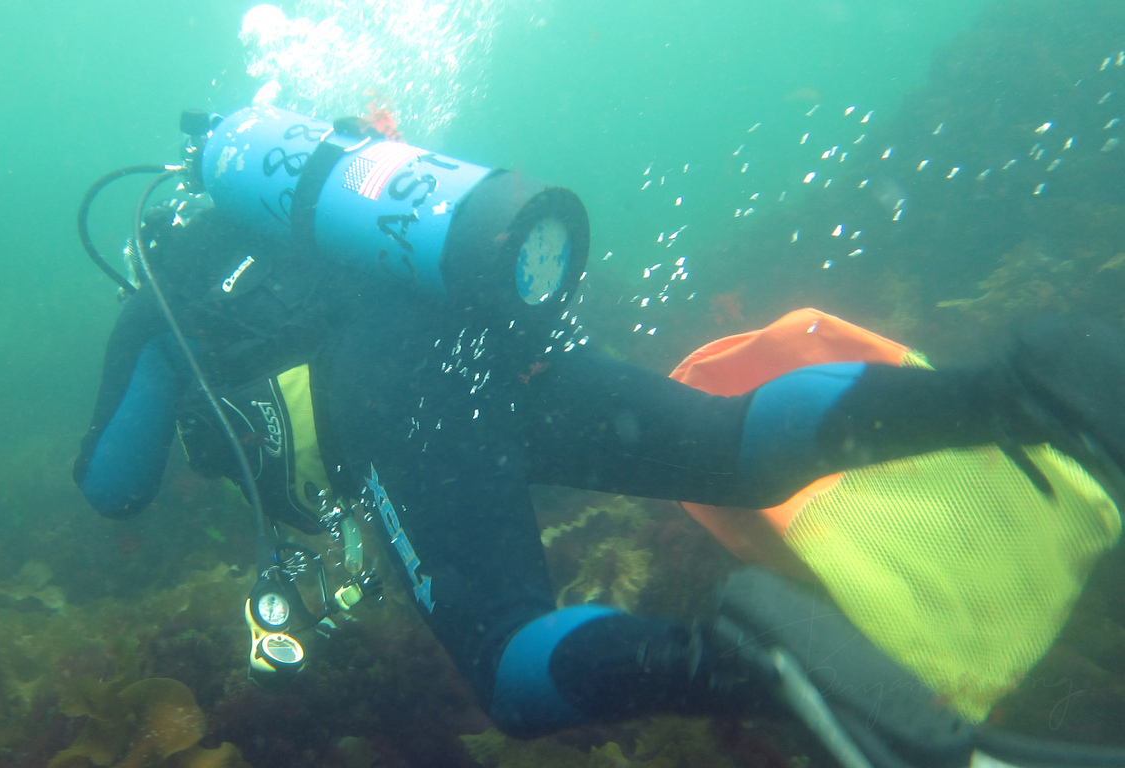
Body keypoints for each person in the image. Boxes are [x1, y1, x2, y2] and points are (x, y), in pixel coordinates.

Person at [73, 138, 1125, 768]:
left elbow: (114, 490)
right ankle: (1010, 391)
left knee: (508, 664)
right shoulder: (355, 213)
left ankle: (749, 663)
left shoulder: (164, 295)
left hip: (398, 387)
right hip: (494, 322)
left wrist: (145, 348)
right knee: (725, 446)